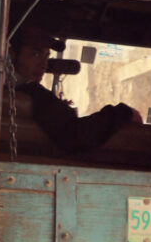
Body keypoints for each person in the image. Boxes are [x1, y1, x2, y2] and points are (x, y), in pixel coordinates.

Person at [9, 21, 141, 154]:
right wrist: (125, 113)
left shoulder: (8, 89)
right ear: (12, 55)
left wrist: (58, 108)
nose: (43, 64)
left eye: (46, 57)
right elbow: (75, 135)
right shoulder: (32, 93)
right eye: (35, 54)